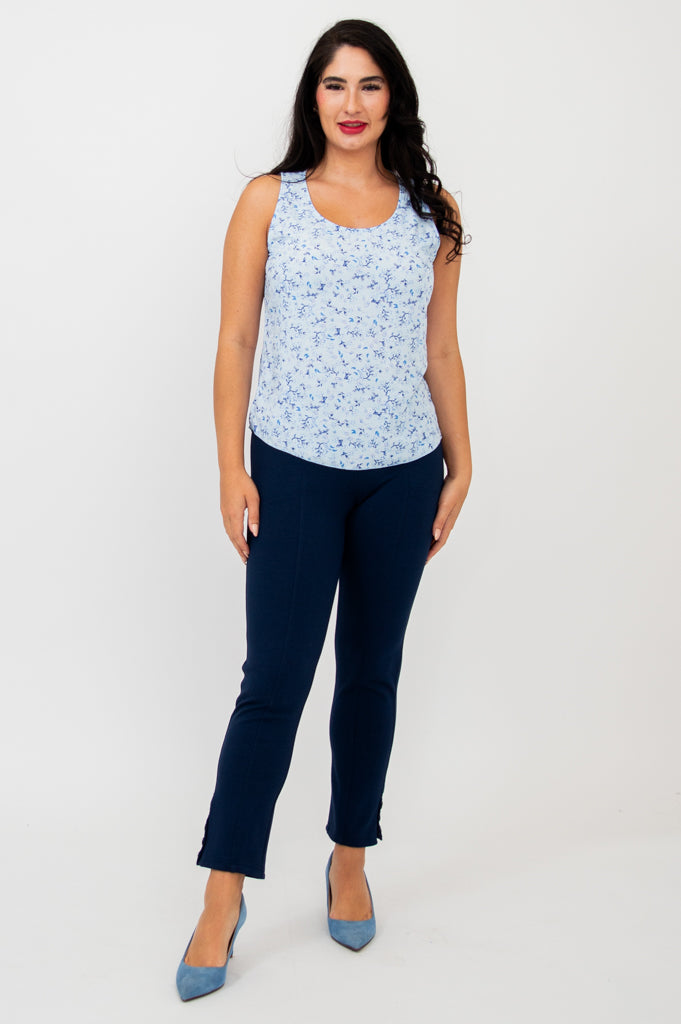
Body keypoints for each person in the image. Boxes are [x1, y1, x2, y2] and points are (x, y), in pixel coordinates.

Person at [176, 18, 472, 1001]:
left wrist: (462, 461)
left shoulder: (433, 214)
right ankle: (223, 894)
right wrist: (231, 468)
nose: (352, 104)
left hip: (401, 475)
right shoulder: (270, 200)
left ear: (394, 100)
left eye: (371, 85)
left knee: (371, 675)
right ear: (314, 96)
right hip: (293, 472)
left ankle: (350, 856)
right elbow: (235, 339)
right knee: (273, 684)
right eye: (336, 85)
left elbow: (440, 348)